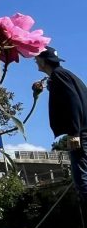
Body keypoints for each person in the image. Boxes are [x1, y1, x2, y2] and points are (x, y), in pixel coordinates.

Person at [34, 46, 87, 217]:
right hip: (83, 130)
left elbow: (73, 102)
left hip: (82, 133)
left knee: (82, 179)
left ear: (42, 61)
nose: (35, 61)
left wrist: (74, 132)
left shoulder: (59, 76)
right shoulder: (63, 75)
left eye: (37, 58)